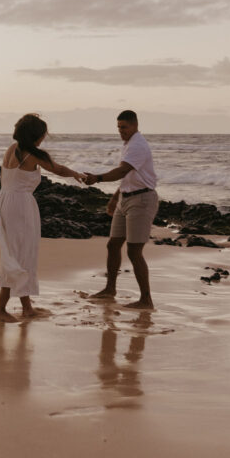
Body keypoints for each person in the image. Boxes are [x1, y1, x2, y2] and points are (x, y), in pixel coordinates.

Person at [0, 113, 84, 322]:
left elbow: (5, 180)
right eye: (43, 134)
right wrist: (77, 174)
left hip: (5, 202)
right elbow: (58, 169)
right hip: (21, 206)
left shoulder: (11, 150)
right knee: (19, 255)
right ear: (37, 135)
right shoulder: (34, 155)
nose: (44, 137)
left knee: (16, 253)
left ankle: (27, 308)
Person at [83, 110, 158, 309]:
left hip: (141, 200)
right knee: (113, 245)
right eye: (118, 128)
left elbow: (122, 171)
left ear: (135, 125)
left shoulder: (138, 145)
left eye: (124, 127)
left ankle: (146, 300)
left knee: (134, 251)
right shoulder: (128, 144)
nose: (121, 131)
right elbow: (129, 176)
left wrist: (97, 178)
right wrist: (115, 198)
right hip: (126, 198)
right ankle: (110, 289)